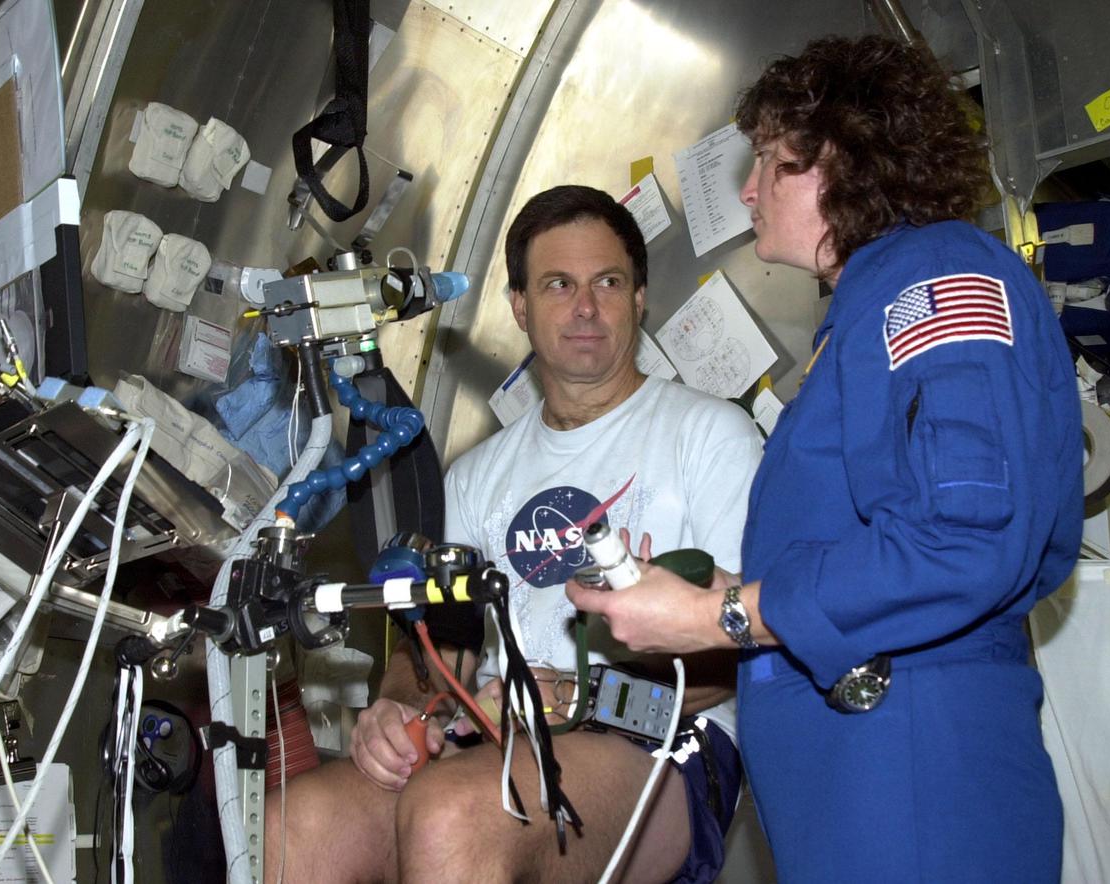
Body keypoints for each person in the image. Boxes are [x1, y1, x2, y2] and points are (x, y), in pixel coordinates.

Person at [567, 35, 1082, 883]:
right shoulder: (870, 308)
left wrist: (716, 622)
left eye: (770, 160)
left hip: (915, 785)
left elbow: (965, 539)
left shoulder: (937, 274)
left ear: (840, 156)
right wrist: (714, 596)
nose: (748, 187)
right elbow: (868, 546)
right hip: (862, 791)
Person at [267, 185, 763, 882]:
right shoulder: (474, 477)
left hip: (664, 738)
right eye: (558, 284)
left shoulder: (712, 437)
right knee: (297, 826)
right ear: (520, 307)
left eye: (608, 283)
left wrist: (575, 697)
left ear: (640, 297)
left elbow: (740, 651)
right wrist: (398, 705)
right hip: (492, 735)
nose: (585, 307)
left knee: (455, 812)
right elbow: (439, 652)